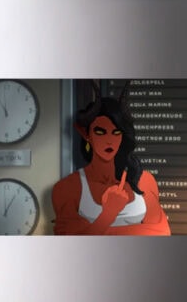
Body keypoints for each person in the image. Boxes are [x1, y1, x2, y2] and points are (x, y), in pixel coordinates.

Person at [52, 81, 171, 235]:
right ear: (87, 134)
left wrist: (99, 230)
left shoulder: (144, 181)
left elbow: (162, 232)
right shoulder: (68, 187)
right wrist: (108, 214)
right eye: (100, 132)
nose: (109, 140)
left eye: (116, 133)